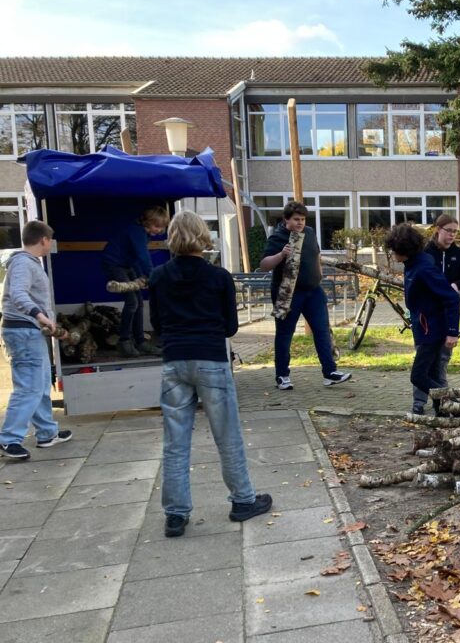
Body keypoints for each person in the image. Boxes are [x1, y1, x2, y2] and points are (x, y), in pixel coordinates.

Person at [148, 211, 273, 538]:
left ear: (172, 238)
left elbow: (157, 326)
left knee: (175, 441)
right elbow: (231, 326)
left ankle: (175, 515)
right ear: (203, 236)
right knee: (226, 434)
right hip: (211, 360)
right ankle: (243, 500)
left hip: (174, 361)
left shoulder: (158, 276)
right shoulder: (219, 278)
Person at [259, 201, 351, 390]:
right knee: (285, 334)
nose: (300, 223)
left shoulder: (309, 233)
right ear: (286, 220)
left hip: (313, 291)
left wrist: (319, 274)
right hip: (288, 293)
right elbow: (264, 265)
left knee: (322, 330)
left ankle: (330, 372)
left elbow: (316, 253)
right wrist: (281, 255)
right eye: (296, 220)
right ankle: (282, 376)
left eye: (302, 219)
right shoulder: (278, 237)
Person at [0, 220, 73, 460]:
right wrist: (40, 316)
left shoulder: (28, 263)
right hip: (23, 331)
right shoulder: (23, 263)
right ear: (43, 240)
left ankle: (46, 434)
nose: (50, 244)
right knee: (29, 387)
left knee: (40, 384)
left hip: (29, 332)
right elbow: (17, 294)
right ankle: (9, 439)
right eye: (49, 240)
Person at [384, 223, 460, 416]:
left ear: (403, 250)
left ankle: (451, 401)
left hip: (432, 331)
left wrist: (453, 332)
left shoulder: (423, 269)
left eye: (394, 251)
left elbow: (451, 297)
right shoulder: (413, 263)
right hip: (424, 327)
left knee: (418, 376)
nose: (393, 255)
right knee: (433, 372)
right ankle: (443, 412)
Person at [415, 214, 460, 413]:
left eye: (455, 232)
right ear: (438, 229)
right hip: (427, 318)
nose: (452, 235)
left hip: (448, 313)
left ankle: (442, 404)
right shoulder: (425, 253)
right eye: (449, 231)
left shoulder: (459, 254)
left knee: (441, 361)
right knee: (423, 362)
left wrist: (455, 285)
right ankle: (419, 402)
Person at [100, 204, 168, 358]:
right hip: (114, 264)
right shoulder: (137, 231)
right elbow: (143, 256)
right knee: (132, 302)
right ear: (147, 221)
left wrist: (141, 275)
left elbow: (136, 258)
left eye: (161, 227)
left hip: (126, 265)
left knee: (139, 303)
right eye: (156, 225)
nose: (158, 230)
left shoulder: (142, 232)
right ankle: (124, 342)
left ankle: (140, 342)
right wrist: (152, 276)